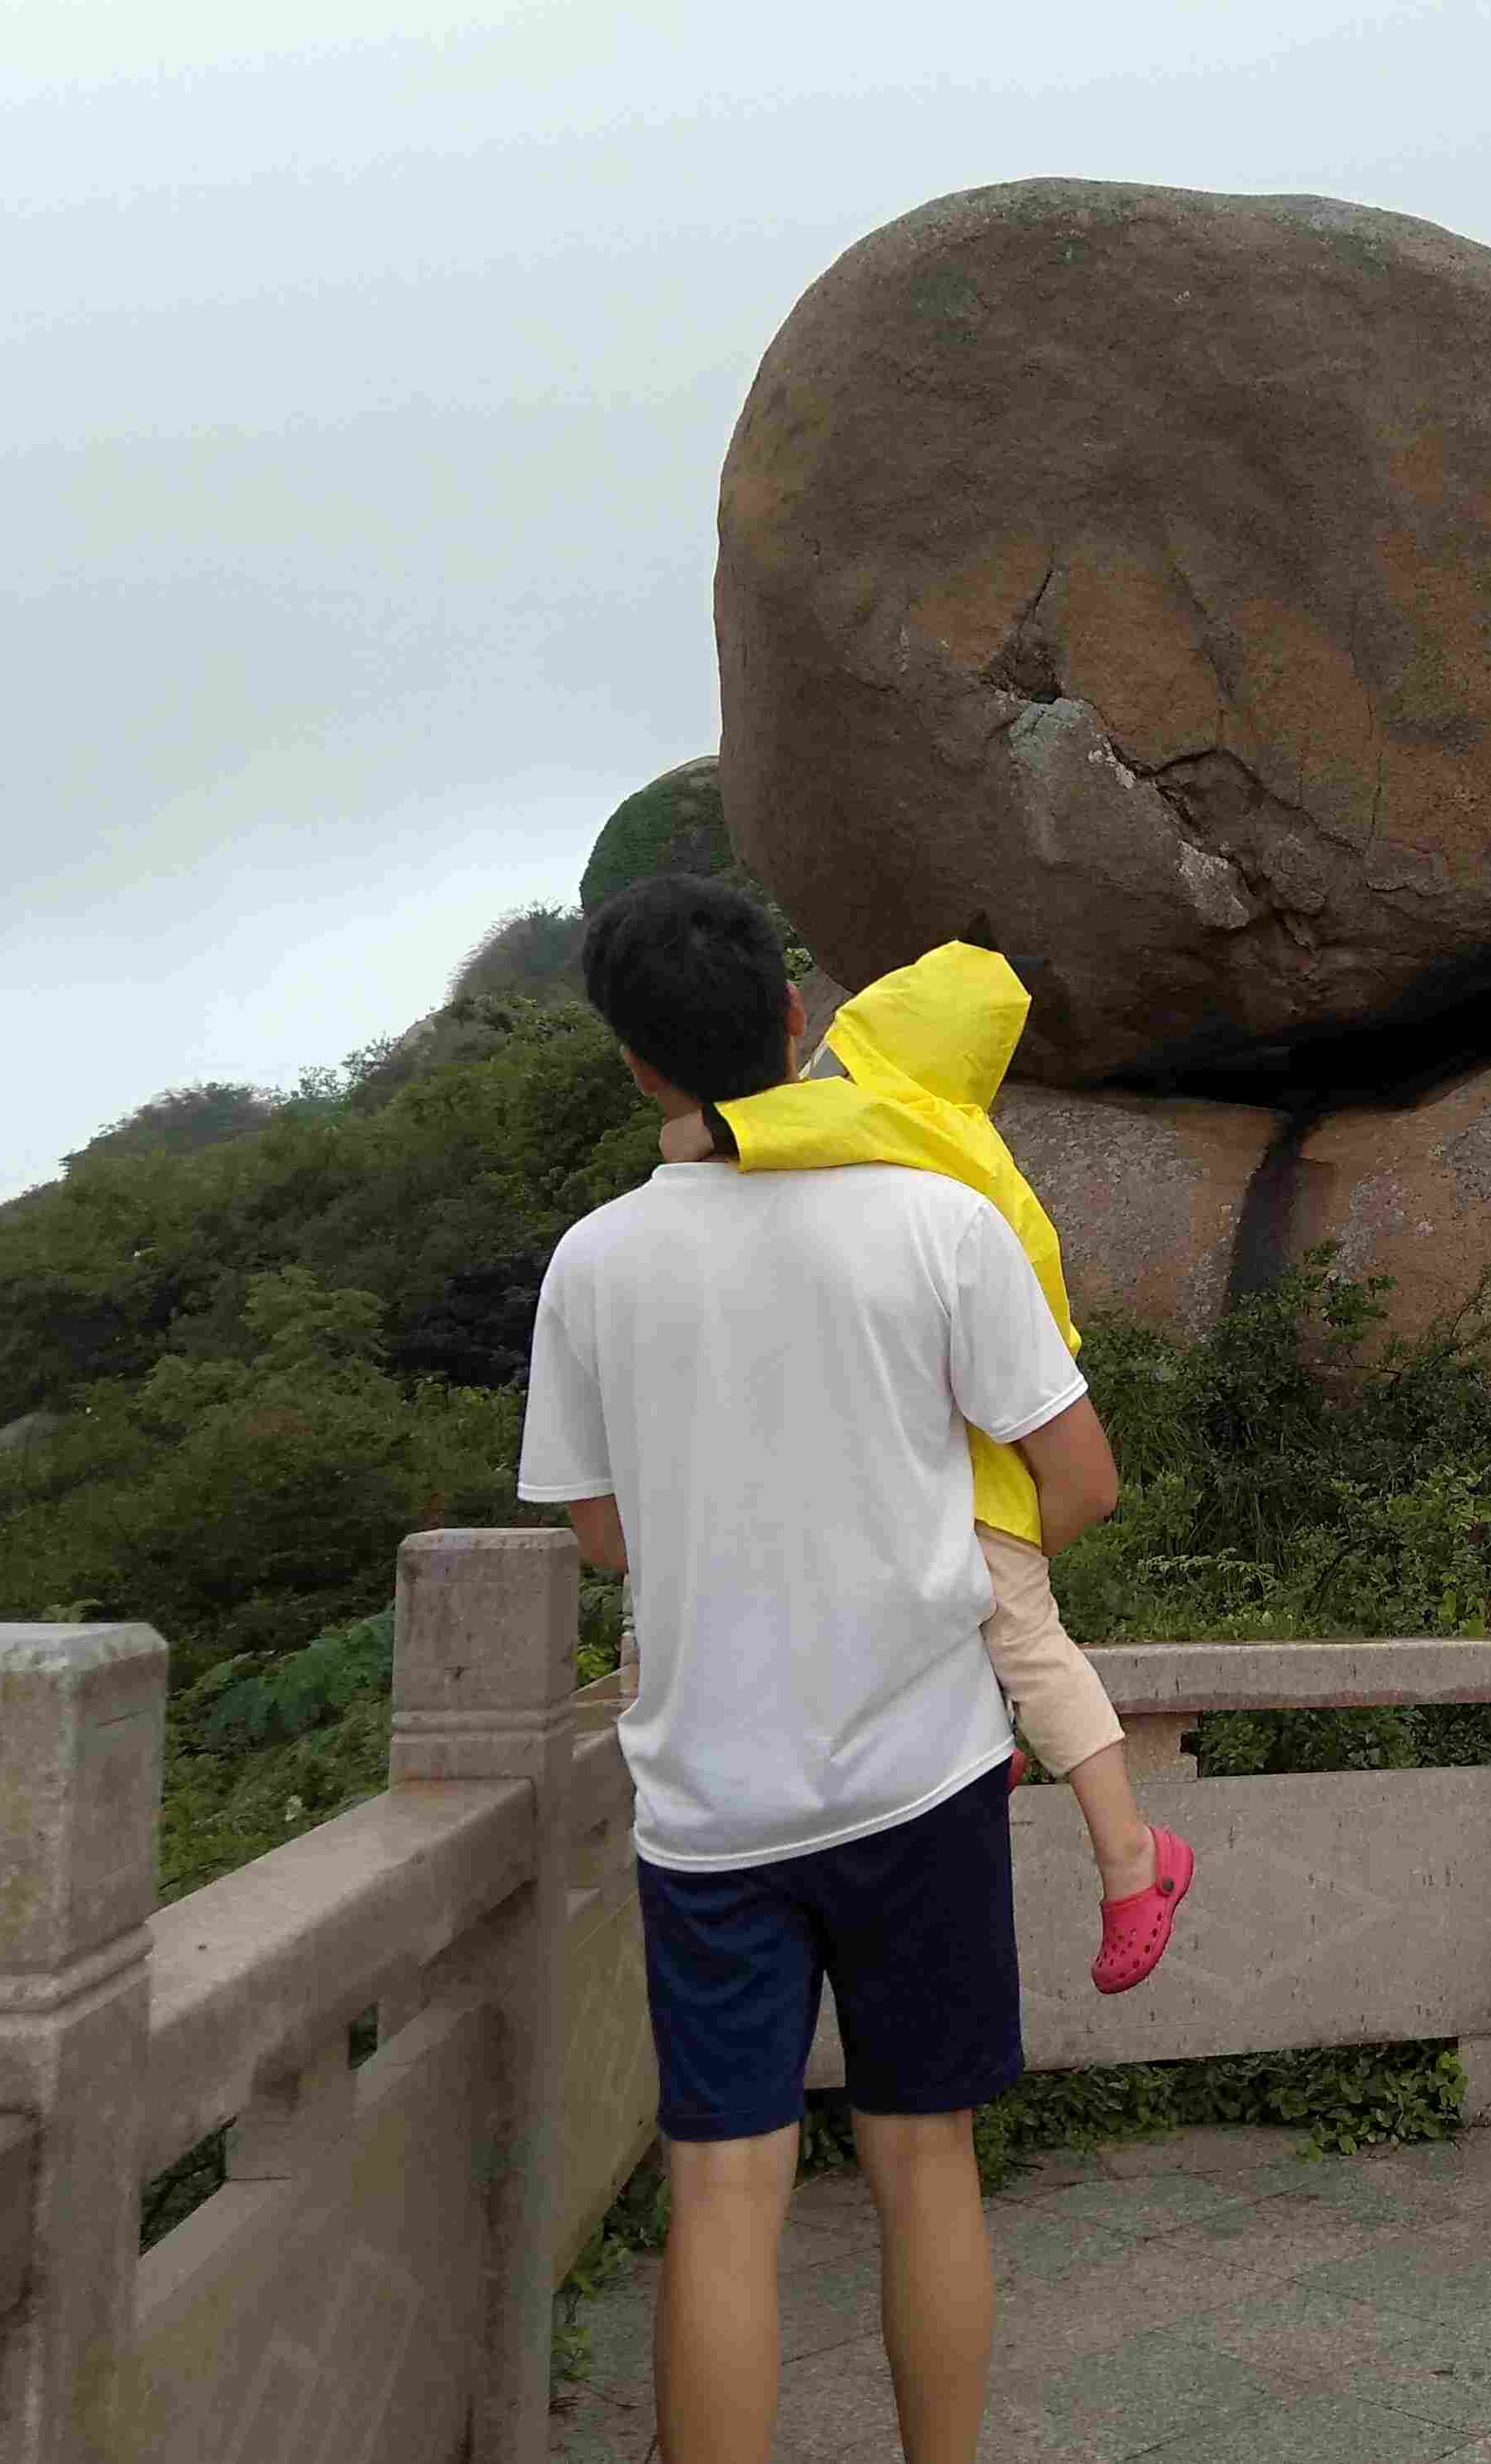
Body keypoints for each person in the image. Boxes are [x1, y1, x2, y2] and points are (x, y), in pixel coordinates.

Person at [518, 873, 1103, 2464]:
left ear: (637, 1066)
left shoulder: (593, 1266)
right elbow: (1082, 1475)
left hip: (709, 1803)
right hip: (920, 1769)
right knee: (929, 2166)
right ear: (797, 1020)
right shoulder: (939, 1222)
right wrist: (951, 1548)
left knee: (723, 2191)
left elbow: (605, 1537)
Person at [655, 938, 1195, 1993]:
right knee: (956, 1635)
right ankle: (981, 1762)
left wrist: (712, 1128)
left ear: (892, 1043)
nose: (834, 1081)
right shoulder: (979, 1153)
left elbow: (817, 1122)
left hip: (980, 1471)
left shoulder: (912, 1126)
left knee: (1023, 1639)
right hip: (967, 1448)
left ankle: (1133, 1858)